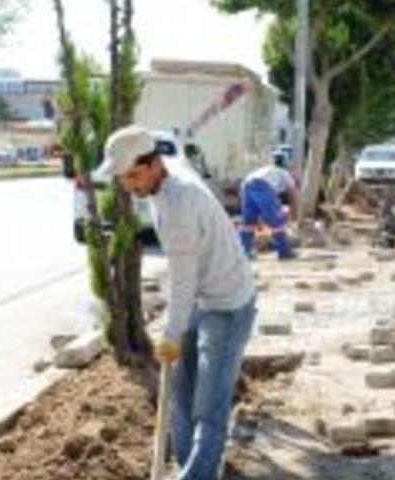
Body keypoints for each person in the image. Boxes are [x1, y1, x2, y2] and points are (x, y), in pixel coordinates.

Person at [95, 126, 256, 480]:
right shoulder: (166, 174)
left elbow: (183, 278)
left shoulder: (179, 204)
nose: (129, 186)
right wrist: (176, 328)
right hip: (201, 296)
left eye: (134, 175)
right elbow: (186, 280)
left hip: (228, 305)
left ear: (153, 164)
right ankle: (188, 470)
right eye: (123, 178)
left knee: (208, 409)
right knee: (180, 397)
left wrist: (170, 332)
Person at [238, 152, 300, 260]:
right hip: (263, 186)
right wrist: (295, 215)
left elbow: (244, 188)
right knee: (277, 221)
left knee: (248, 223)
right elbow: (292, 194)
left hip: (247, 186)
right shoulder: (283, 173)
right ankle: (284, 252)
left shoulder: (264, 170)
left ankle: (243, 252)